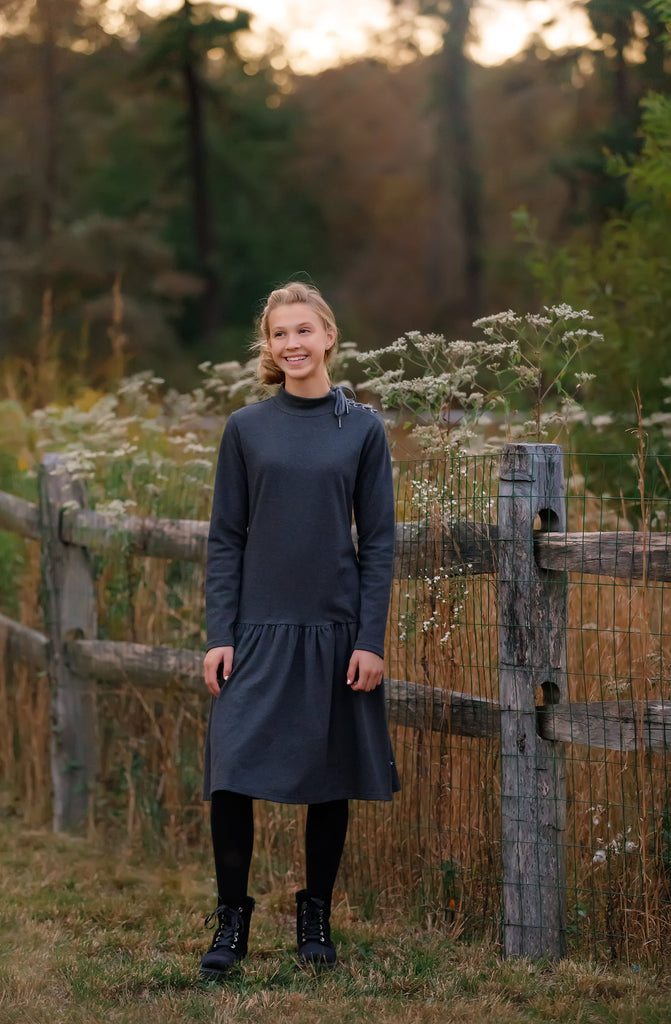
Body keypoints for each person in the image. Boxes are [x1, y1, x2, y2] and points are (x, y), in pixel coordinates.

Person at [200, 281, 400, 981]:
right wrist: (218, 632)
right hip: (255, 632)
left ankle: (314, 916)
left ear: (328, 338)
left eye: (303, 331)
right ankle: (231, 920)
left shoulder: (363, 428)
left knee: (328, 779)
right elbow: (225, 537)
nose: (291, 344)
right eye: (279, 333)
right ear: (268, 344)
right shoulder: (245, 428)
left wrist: (369, 639)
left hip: (335, 631)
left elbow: (378, 542)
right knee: (230, 774)